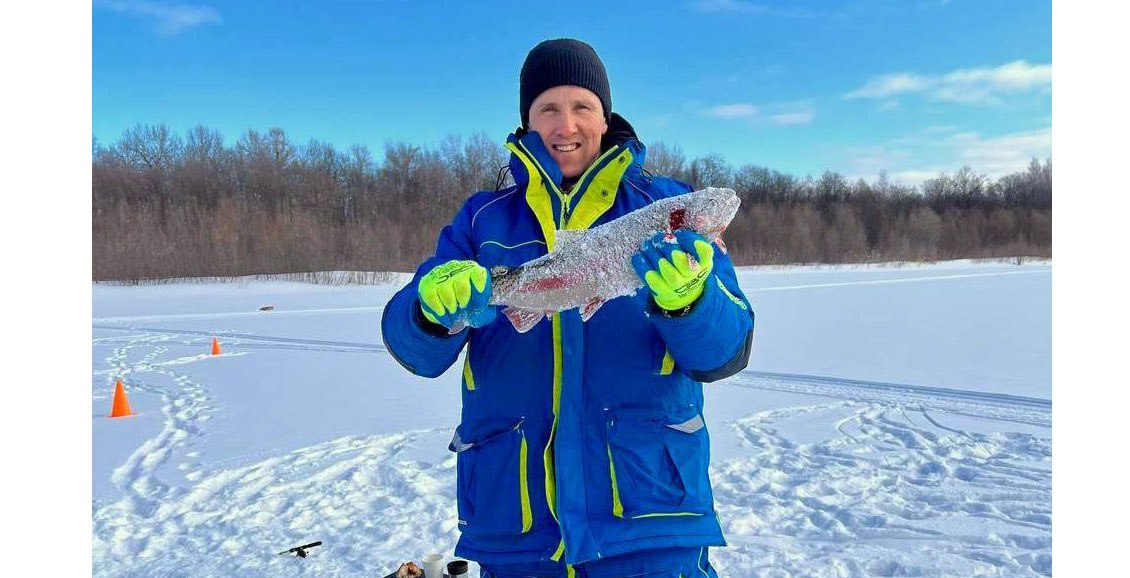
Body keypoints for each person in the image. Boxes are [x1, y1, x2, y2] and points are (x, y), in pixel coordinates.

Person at [382, 38, 755, 578]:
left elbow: (727, 350)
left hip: (650, 521)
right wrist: (428, 311)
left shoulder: (664, 206)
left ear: (605, 118)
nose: (566, 126)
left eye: (582, 107)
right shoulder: (482, 219)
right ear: (527, 121)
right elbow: (411, 348)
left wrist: (689, 303)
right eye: (548, 109)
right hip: (516, 532)